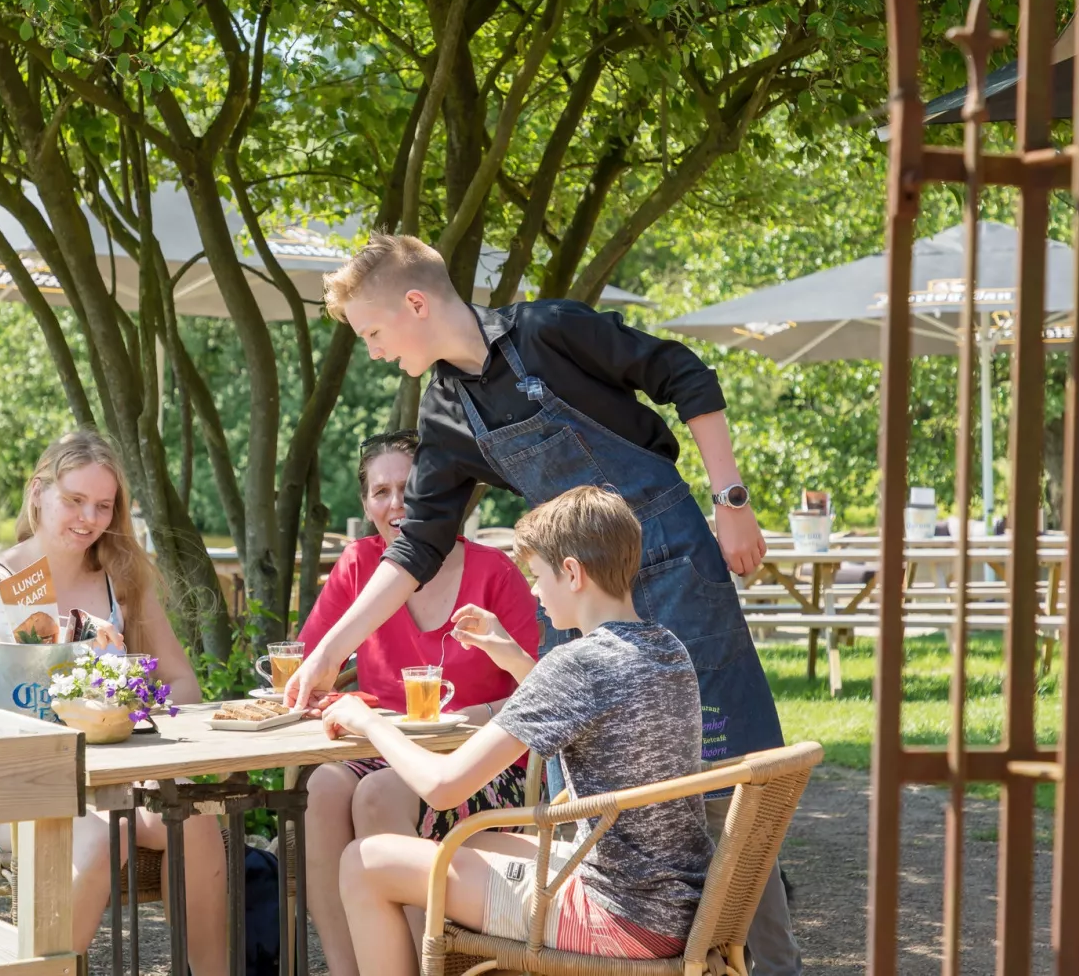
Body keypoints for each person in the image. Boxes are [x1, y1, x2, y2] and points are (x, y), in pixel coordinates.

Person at [285, 233, 799, 973]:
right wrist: (333, 648)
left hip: (677, 566)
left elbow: (683, 372)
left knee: (731, 777)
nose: (370, 352)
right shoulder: (445, 416)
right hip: (574, 596)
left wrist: (732, 500)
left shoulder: (550, 330)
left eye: (371, 332)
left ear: (416, 303)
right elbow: (415, 548)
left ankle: (767, 966)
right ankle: (595, 947)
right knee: (570, 781)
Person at [323, 486, 714, 972]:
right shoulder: (666, 648)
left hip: (615, 916)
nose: (534, 592)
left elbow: (443, 788)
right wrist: (507, 653)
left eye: (538, 575)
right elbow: (585, 704)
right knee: (462, 845)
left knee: (364, 863)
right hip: (678, 901)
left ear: (572, 573)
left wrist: (366, 721)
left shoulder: (575, 664)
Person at [0, 432, 227, 975]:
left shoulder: (121, 581)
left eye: (103, 506)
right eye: (75, 500)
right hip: (7, 784)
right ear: (39, 493)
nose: (89, 518)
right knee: (105, 833)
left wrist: (124, 694)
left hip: (107, 775)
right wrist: (72, 647)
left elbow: (183, 686)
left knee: (193, 817)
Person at [298, 429, 541, 976]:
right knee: (322, 788)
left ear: (440, 492)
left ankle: (420, 969)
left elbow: (539, 692)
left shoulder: (494, 572)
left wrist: (473, 718)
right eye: (380, 492)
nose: (395, 504)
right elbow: (313, 665)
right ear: (365, 503)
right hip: (384, 744)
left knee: (378, 795)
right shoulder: (361, 565)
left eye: (409, 488)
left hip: (481, 762)